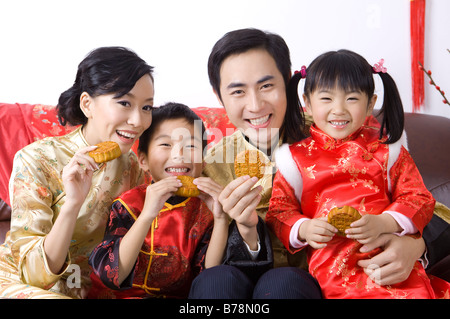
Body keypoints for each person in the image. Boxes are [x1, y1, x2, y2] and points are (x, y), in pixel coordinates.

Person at [266, 49, 450, 298]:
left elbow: (418, 198)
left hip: (388, 259)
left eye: (351, 98)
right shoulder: (293, 158)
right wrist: (304, 228)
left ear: (370, 104)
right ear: (307, 103)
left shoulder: (388, 150)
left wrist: (385, 222)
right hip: (332, 268)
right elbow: (278, 211)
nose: (339, 109)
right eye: (326, 99)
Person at [0, 46, 154, 298]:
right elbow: (34, 274)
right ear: (87, 104)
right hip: (27, 283)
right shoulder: (35, 159)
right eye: (124, 103)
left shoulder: (134, 167)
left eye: (147, 107)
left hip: (90, 288)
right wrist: (72, 203)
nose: (138, 121)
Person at [189, 28, 322, 299]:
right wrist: (245, 229)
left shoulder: (331, 137)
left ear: (287, 80)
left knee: (283, 284)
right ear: (219, 96)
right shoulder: (212, 166)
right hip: (238, 284)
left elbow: (428, 208)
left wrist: (414, 246)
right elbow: (203, 257)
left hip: (311, 282)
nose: (255, 104)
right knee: (215, 281)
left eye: (266, 86)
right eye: (238, 91)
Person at [87, 102, 231, 298]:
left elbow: (209, 278)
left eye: (190, 146)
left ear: (203, 161)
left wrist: (221, 218)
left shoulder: (205, 211)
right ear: (143, 160)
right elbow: (113, 275)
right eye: (165, 144)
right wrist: (147, 215)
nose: (179, 155)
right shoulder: (127, 204)